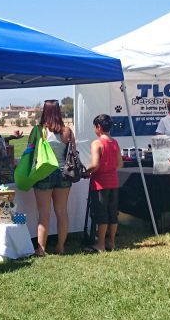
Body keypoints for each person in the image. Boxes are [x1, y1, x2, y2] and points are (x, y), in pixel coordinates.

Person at [33, 99, 76, 256]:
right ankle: (60, 246)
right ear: (59, 111)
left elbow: (30, 152)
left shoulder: (39, 130)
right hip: (63, 173)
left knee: (44, 213)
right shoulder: (67, 131)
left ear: (44, 111)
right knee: (62, 211)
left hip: (44, 173)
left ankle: (41, 248)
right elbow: (73, 153)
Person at [84, 114, 122, 254]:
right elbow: (120, 163)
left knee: (101, 214)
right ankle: (111, 242)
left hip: (100, 183)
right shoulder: (115, 142)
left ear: (98, 127)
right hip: (114, 182)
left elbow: (94, 164)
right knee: (113, 213)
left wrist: (85, 171)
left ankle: (100, 244)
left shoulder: (97, 143)